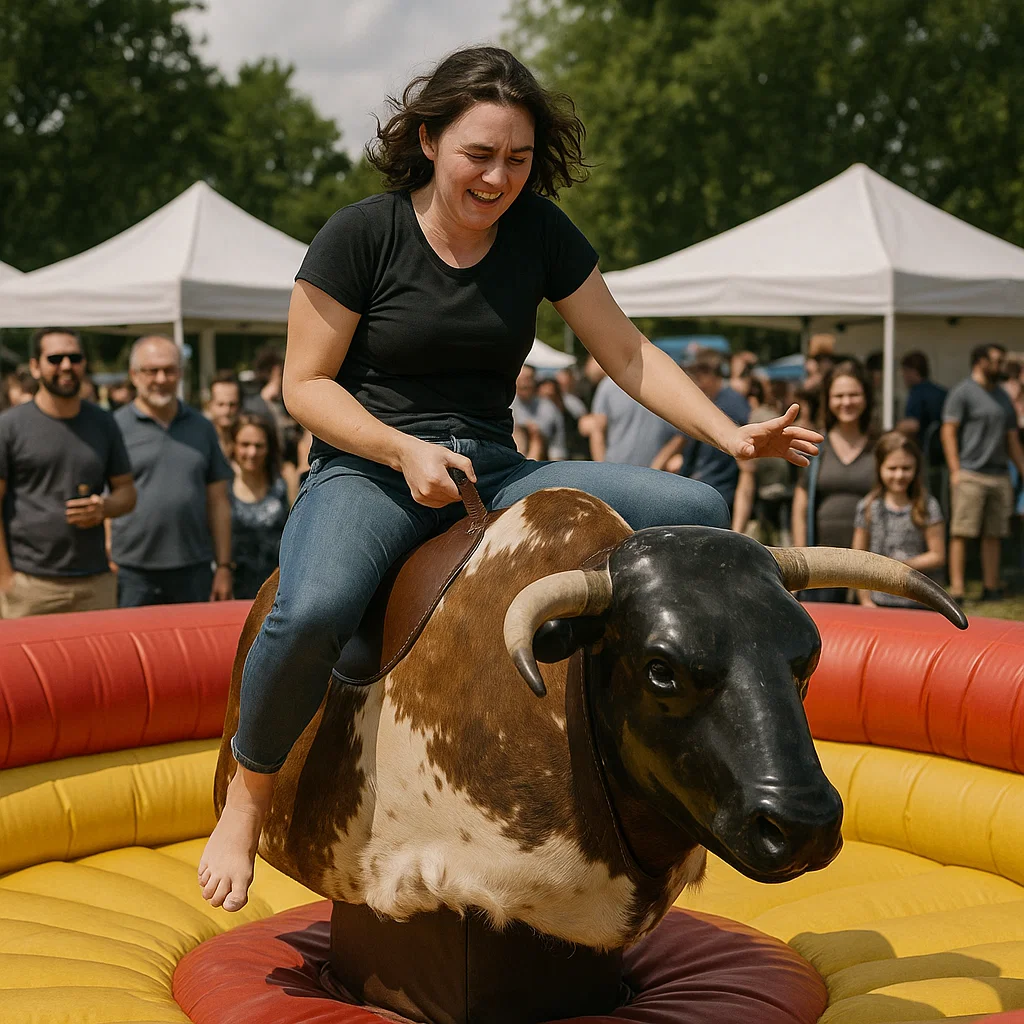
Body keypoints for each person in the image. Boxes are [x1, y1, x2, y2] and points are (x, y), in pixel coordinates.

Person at [197, 46, 821, 914]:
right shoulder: (361, 233)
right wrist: (398, 449)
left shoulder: (540, 233)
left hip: (497, 465)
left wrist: (730, 431)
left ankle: (653, 763)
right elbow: (305, 385)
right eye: (479, 155)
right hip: (368, 465)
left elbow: (628, 351)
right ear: (428, 139)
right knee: (314, 608)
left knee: (698, 509)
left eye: (518, 159)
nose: (498, 177)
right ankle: (250, 793)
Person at [0, 328, 135, 618]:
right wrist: (5, 579)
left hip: (95, 583)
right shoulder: (9, 426)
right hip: (31, 585)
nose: (66, 366)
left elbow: (127, 493)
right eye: (55, 358)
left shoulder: (103, 423)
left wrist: (104, 508)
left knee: (102, 665)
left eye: (74, 358)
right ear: (35, 366)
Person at [111, 335, 235, 606]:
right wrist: (107, 554)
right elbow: (103, 497)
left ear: (180, 373)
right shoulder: (114, 427)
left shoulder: (202, 427)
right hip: (131, 571)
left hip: (193, 568)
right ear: (134, 375)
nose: (161, 378)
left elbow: (219, 502)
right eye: (151, 370)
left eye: (169, 370)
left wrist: (224, 566)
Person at [941, 343, 1024, 602]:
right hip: (970, 472)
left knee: (994, 533)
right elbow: (949, 431)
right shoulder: (962, 392)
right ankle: (957, 588)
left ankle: (991, 586)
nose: (1000, 366)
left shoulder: (1002, 396)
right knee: (962, 532)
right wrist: (955, 470)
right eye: (996, 361)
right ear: (980, 362)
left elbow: (1012, 439)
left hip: (999, 474)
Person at [791, 359, 876, 602]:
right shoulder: (815, 445)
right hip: (822, 567)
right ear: (828, 400)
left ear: (866, 397)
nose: (846, 402)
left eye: (854, 394)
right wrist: (800, 563)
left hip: (872, 564)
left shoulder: (880, 447)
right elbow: (800, 507)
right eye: (839, 396)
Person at [853, 432, 945, 608]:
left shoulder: (927, 506)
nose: (899, 475)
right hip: (879, 601)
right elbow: (857, 559)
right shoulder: (868, 507)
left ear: (916, 468)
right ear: (880, 468)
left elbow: (937, 555)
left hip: (919, 601)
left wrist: (900, 566)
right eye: (892, 469)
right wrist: (865, 600)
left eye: (906, 468)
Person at [652, 351, 750, 508]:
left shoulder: (732, 404)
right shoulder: (710, 400)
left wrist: (739, 525)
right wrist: (654, 472)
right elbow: (680, 439)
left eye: (698, 375)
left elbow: (747, 467)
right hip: (701, 488)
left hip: (719, 493)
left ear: (710, 374)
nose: (695, 381)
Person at [229, 414, 290, 600]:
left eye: (259, 445)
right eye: (245, 445)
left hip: (278, 589)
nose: (252, 453)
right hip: (232, 589)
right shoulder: (221, 486)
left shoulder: (285, 481)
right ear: (233, 445)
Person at [587, 373, 676, 465]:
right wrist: (603, 470)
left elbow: (680, 435)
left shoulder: (666, 384)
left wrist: (661, 462)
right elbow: (597, 430)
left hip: (656, 474)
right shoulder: (608, 386)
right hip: (616, 470)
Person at [511, 364, 562, 459]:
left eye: (528, 379)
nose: (524, 383)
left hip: (543, 452)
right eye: (521, 378)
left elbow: (556, 442)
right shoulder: (507, 404)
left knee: (535, 435)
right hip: (514, 448)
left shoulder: (547, 406)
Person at [897, 350, 947, 445]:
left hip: (924, 449)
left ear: (913, 371)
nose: (903, 376)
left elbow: (912, 425)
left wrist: (892, 432)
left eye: (904, 371)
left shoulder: (917, 392)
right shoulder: (941, 392)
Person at [207, 370, 242, 460]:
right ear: (210, 405)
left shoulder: (247, 441)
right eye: (221, 404)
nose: (227, 411)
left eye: (232, 404)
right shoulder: (201, 440)